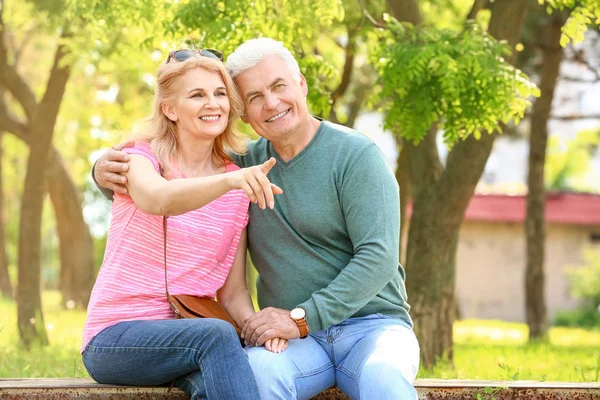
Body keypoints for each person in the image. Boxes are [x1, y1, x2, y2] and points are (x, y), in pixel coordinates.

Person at [93, 39, 420, 400]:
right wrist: (101, 172)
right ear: (244, 113)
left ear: (302, 85)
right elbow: (169, 176)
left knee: (384, 379)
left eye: (279, 86)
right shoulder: (241, 168)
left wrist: (296, 319)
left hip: (370, 327)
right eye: (254, 97)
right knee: (259, 373)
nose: (272, 103)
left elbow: (379, 258)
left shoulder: (356, 156)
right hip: (297, 341)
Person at [82, 49, 288, 400]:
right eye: (197, 95)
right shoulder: (139, 158)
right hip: (115, 338)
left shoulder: (237, 185)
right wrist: (229, 183)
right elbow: (159, 199)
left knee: (234, 373)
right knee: (217, 336)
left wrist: (260, 329)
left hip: (188, 339)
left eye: (220, 93)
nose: (213, 103)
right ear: (169, 109)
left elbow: (233, 291)